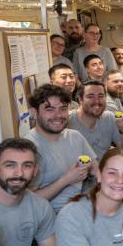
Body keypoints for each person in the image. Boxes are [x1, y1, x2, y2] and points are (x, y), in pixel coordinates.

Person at [24, 84, 96, 212]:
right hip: (58, 214)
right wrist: (66, 179)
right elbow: (29, 201)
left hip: (86, 203)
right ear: (35, 113)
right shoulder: (29, 148)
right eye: (49, 109)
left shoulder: (74, 136)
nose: (58, 115)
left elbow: (96, 169)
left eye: (63, 108)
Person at [69, 80, 123, 159]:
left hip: (106, 165)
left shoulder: (109, 117)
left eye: (101, 96)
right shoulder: (67, 121)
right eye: (90, 96)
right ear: (80, 99)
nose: (97, 101)